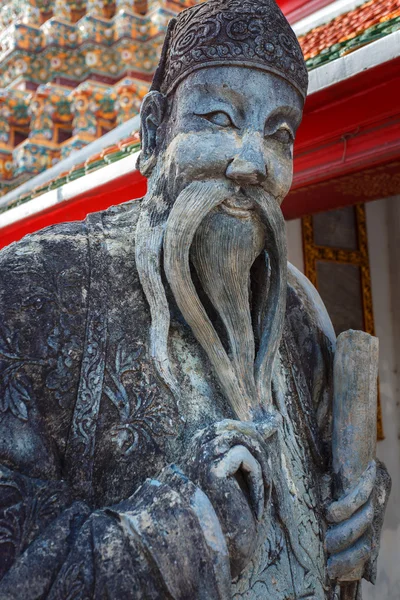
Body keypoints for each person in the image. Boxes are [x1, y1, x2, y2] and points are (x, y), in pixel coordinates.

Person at [0, 1, 390, 598]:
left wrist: (356, 510)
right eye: (219, 119)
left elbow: (332, 488)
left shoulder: (296, 316)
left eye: (279, 133)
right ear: (155, 131)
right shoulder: (34, 291)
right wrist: (190, 527)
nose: (251, 163)